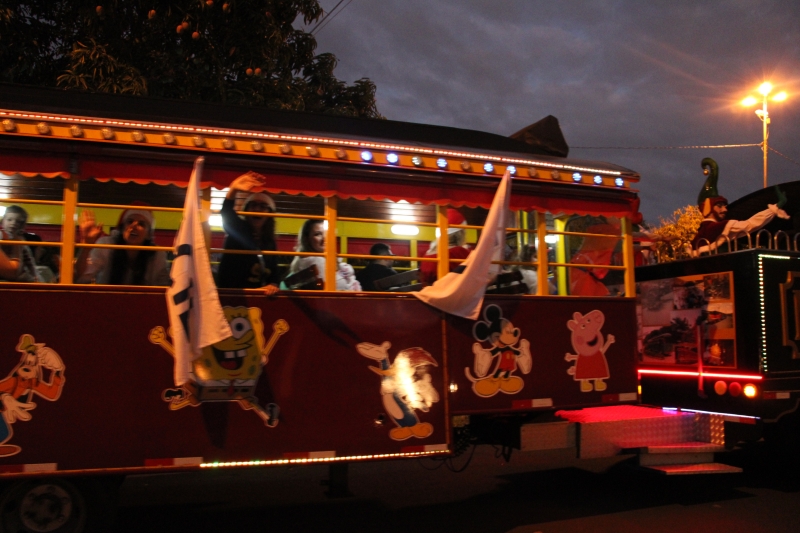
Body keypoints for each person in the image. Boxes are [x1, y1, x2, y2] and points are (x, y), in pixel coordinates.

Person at [691, 157, 790, 254]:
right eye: (720, 206)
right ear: (708, 208)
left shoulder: (699, 235)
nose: (725, 210)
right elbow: (751, 224)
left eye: (725, 206)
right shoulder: (719, 227)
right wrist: (776, 207)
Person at [217, 172, 280, 295]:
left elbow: (274, 271)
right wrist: (233, 190)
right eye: (253, 205)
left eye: (263, 206)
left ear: (270, 214)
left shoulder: (269, 241)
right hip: (235, 296)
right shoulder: (238, 231)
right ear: (246, 211)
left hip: (259, 298)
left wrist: (273, 284)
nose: (257, 210)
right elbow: (227, 214)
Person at [74, 204, 170, 285]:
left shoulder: (157, 254)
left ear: (149, 235)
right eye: (130, 221)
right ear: (122, 228)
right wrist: (86, 245)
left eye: (141, 224)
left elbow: (164, 286)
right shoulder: (106, 245)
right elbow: (80, 278)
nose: (134, 226)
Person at [285, 219, 361, 291]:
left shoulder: (305, 261)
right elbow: (340, 286)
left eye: (327, 233)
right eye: (318, 234)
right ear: (307, 239)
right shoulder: (316, 261)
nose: (325, 238)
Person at [419, 209, 471, 285]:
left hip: (431, 290)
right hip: (449, 290)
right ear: (460, 234)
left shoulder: (427, 254)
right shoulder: (458, 252)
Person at [0, 205, 38, 282]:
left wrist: (36, 277)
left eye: (18, 222)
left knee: (29, 278)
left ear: (22, 225)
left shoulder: (20, 240)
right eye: (9, 220)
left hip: (15, 272)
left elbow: (29, 260)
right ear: (3, 221)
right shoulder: (1, 234)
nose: (13, 223)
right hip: (4, 269)